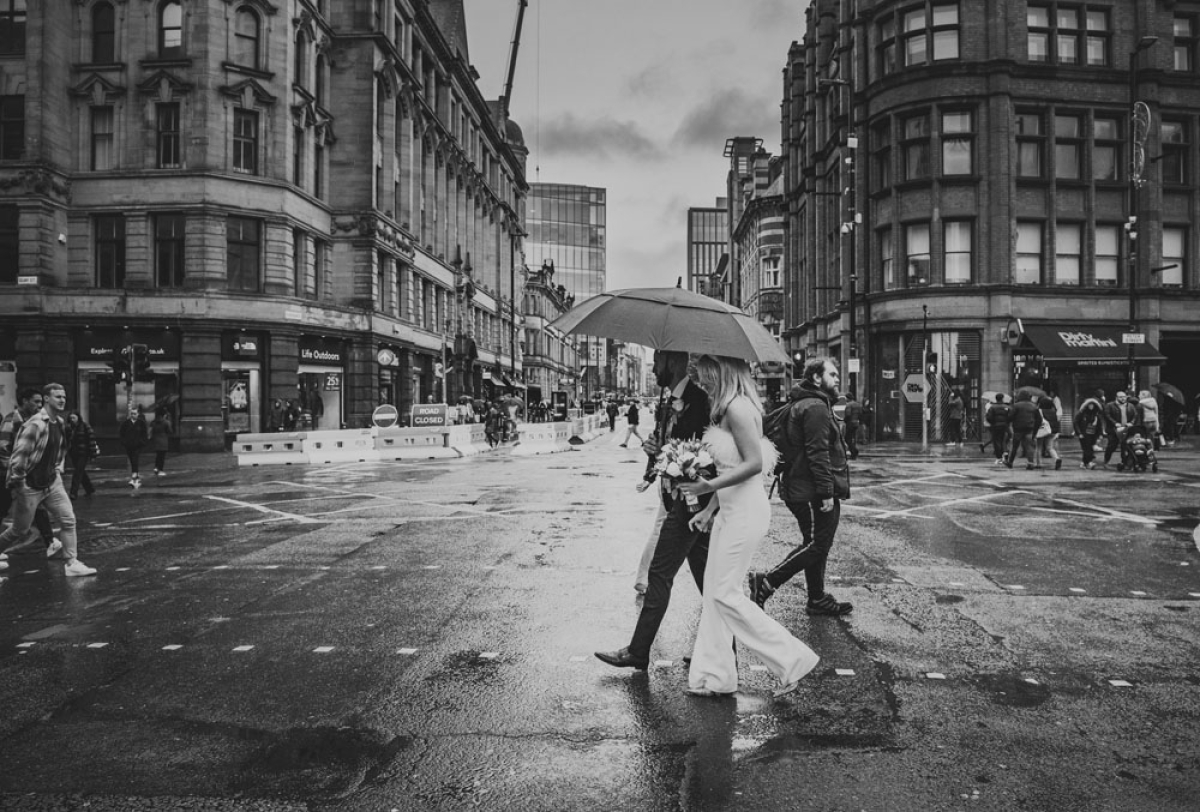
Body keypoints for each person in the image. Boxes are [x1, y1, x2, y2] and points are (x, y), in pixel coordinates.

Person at [676, 355, 820, 697]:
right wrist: (710, 509)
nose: (699, 377)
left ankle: (791, 659)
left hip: (745, 513)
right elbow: (733, 468)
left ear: (722, 368)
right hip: (730, 511)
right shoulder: (728, 407)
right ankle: (713, 677)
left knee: (726, 594)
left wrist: (707, 488)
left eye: (705, 369)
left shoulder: (739, 408)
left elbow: (754, 465)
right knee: (715, 593)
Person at [595, 350, 713, 671]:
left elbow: (699, 451)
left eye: (657, 361)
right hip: (676, 498)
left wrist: (666, 451)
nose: (654, 367)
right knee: (709, 582)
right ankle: (721, 649)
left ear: (672, 363)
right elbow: (665, 447)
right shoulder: (666, 401)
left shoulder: (698, 400)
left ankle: (638, 651)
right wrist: (653, 451)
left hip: (690, 500)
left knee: (659, 575)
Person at [748, 356, 853, 617]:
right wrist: (827, 492)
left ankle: (816, 598)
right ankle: (768, 581)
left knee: (814, 543)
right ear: (817, 378)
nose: (837, 379)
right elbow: (817, 453)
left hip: (804, 487)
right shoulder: (815, 407)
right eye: (832, 374)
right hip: (811, 490)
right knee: (818, 544)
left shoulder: (808, 404)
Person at [0, 383, 96, 577]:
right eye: (58, 397)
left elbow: (60, 449)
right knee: (20, 529)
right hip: (30, 485)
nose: (62, 400)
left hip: (52, 482)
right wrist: (19, 483)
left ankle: (72, 562)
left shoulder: (59, 422)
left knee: (68, 519)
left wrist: (55, 470)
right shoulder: (35, 424)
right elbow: (19, 457)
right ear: (46, 399)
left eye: (64, 397)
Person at [0, 387, 60, 558]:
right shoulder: (12, 420)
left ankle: (50, 542)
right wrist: (13, 473)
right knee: (3, 509)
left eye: (41, 402)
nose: (39, 405)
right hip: (8, 474)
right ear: (24, 401)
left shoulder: (34, 420)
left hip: (27, 473)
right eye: (36, 402)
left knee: (37, 506)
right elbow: (3, 449)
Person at [1005, 391, 1043, 469]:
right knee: (1029, 446)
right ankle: (1030, 463)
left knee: (1015, 446)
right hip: (1030, 428)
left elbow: (1010, 417)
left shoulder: (1016, 405)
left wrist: (1009, 423)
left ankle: (1010, 462)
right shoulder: (1034, 406)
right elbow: (1039, 419)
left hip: (1018, 428)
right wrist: (1035, 430)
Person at [65, 411, 99, 498]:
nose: (72, 420)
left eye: (74, 418)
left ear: (78, 418)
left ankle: (73, 492)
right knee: (81, 472)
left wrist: (93, 455)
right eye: (71, 418)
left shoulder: (85, 426)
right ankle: (89, 489)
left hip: (84, 453)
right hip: (74, 453)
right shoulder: (69, 428)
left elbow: (91, 440)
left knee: (77, 473)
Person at [1102, 391, 1137, 467]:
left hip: (1126, 429)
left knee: (1125, 446)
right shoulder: (1110, 405)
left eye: (1124, 397)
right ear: (1116, 398)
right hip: (1113, 430)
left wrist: (1131, 422)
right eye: (1120, 397)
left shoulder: (1130, 406)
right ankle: (1106, 461)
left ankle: (1125, 462)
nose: (1123, 399)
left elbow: (1135, 415)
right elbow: (1107, 415)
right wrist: (1115, 423)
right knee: (1112, 445)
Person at [119, 405, 148, 488]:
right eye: (132, 413)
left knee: (135, 460)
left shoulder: (141, 423)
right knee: (132, 460)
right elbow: (122, 433)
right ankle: (136, 476)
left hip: (137, 446)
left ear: (138, 414)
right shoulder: (126, 423)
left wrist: (142, 442)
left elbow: (144, 434)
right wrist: (124, 443)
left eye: (135, 414)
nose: (133, 415)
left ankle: (134, 477)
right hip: (129, 445)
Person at [1073, 391, 1105, 469]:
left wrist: (1100, 434)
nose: (1091, 406)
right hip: (1084, 434)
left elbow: (1099, 425)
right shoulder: (1081, 414)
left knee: (1089, 449)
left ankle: (1084, 463)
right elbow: (1076, 423)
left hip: (1093, 434)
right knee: (1087, 449)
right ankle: (1089, 462)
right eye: (1089, 405)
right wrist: (1079, 433)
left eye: (1092, 405)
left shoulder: (1096, 415)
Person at [981, 394, 1012, 463]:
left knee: (996, 441)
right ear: (1002, 398)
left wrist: (992, 423)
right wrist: (1007, 422)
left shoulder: (992, 407)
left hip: (995, 426)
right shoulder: (1007, 407)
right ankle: (1005, 452)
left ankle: (999, 457)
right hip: (1004, 426)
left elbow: (988, 417)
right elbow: (1010, 416)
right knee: (1003, 440)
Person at [1036, 395, 1061, 470]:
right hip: (1052, 431)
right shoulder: (1053, 411)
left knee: (1039, 446)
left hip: (1042, 430)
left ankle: (1039, 463)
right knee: (1050, 447)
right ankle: (1057, 458)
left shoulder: (1040, 410)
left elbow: (1038, 421)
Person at [150, 410, 173, 475]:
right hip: (163, 440)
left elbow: (151, 431)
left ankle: (156, 468)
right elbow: (170, 431)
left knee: (158, 455)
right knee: (162, 456)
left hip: (156, 440)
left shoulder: (153, 422)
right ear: (164, 415)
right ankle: (160, 470)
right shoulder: (166, 422)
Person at [843, 392, 862, 460]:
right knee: (853, 438)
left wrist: (845, 420)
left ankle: (854, 452)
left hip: (850, 423)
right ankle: (854, 451)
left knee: (847, 439)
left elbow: (848, 414)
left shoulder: (848, 405)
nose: (845, 400)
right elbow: (860, 414)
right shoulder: (858, 404)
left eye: (846, 398)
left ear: (848, 398)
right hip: (856, 423)